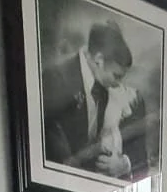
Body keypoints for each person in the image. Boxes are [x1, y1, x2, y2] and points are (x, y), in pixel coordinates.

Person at [40, 18, 149, 182]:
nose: (118, 84)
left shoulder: (117, 93)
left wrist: (124, 163)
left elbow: (139, 144)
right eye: (116, 76)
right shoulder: (55, 79)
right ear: (98, 60)